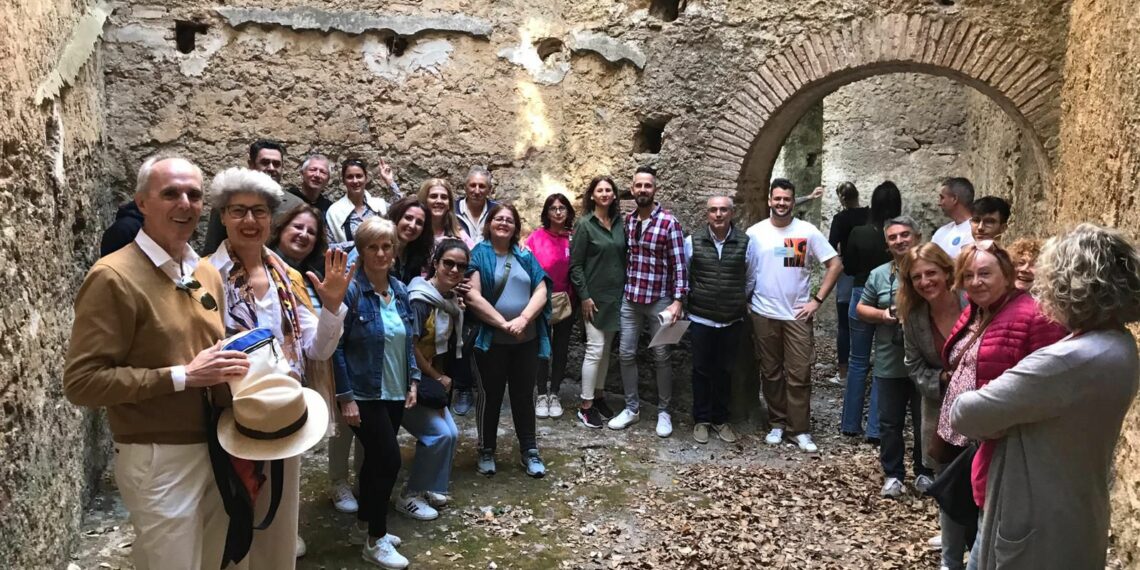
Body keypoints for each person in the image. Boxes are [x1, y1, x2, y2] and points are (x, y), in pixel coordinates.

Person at [63, 156, 249, 570]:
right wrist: (184, 376)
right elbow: (82, 383)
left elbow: (206, 351)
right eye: (170, 193)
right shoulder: (113, 276)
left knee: (206, 561)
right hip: (157, 456)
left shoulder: (204, 271)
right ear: (142, 203)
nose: (185, 203)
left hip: (217, 445)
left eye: (194, 195)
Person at [951, 224, 1140, 570]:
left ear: (1065, 287)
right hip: (1077, 512)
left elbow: (966, 413)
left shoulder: (1069, 360)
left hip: (1037, 526)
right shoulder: (1120, 344)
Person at [206, 167, 351, 568]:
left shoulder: (287, 277)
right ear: (222, 216)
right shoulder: (204, 275)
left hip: (283, 412)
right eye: (238, 211)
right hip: (229, 417)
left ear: (272, 218)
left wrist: (333, 306)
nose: (249, 221)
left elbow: (316, 351)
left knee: (280, 521)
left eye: (259, 211)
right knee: (229, 522)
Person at [935, 240, 1066, 569]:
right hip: (965, 430)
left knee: (989, 516)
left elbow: (1046, 382)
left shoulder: (1034, 317)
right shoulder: (976, 310)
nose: (976, 282)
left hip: (1001, 435)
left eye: (984, 274)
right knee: (954, 499)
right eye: (968, 276)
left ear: (1006, 276)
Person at [333, 216, 419, 569]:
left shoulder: (398, 289)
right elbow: (335, 348)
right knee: (389, 460)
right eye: (373, 247)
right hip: (364, 393)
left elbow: (407, 340)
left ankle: (364, 524)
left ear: (394, 251)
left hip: (395, 389)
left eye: (387, 246)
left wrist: (413, 379)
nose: (381, 253)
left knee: (373, 461)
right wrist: (346, 396)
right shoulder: (351, 291)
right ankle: (376, 539)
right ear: (361, 251)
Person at [268, 205, 362, 515]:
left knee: (288, 454)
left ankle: (281, 528)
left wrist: (333, 306)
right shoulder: (261, 268)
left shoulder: (307, 276)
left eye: (311, 231)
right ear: (280, 228)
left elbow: (319, 343)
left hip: (303, 371)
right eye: (297, 227)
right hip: (265, 378)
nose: (303, 234)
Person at [745, 178, 842, 453]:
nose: (782, 203)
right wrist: (747, 300)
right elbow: (749, 270)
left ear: (793, 200)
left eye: (786, 199)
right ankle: (777, 422)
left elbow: (835, 264)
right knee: (771, 372)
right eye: (777, 198)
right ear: (769, 200)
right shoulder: (755, 233)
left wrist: (817, 300)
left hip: (797, 314)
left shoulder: (805, 232)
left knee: (799, 373)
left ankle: (799, 429)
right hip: (764, 313)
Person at [464, 203, 551, 477]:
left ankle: (530, 450)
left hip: (527, 340)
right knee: (490, 396)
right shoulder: (479, 254)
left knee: (524, 395)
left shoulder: (524, 254)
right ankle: (486, 449)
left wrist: (523, 320)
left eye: (509, 220)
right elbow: (473, 296)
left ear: (516, 227)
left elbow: (542, 288)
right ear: (489, 224)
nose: (503, 223)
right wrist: (503, 324)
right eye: (498, 219)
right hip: (492, 341)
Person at [898, 242, 969, 569]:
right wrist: (943, 380)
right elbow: (914, 366)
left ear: (946, 272)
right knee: (948, 484)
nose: (925, 282)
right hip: (940, 409)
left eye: (931, 273)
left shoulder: (972, 302)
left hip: (986, 405)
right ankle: (950, 560)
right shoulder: (914, 317)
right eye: (917, 277)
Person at [855, 216, 933, 497]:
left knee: (925, 419)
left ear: (917, 236)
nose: (899, 241)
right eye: (893, 237)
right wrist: (883, 315)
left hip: (926, 359)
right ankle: (894, 474)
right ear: (887, 243)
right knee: (889, 421)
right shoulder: (878, 275)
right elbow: (862, 308)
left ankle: (925, 472)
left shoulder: (931, 270)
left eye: (905, 235)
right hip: (890, 358)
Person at [607, 166, 687, 438]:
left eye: (647, 186)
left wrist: (677, 301)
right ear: (632, 188)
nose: (642, 190)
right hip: (631, 299)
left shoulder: (669, 222)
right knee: (627, 353)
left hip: (660, 300)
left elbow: (679, 265)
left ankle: (664, 412)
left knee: (662, 356)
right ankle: (632, 408)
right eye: (638, 185)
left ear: (655, 189)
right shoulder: (628, 221)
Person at [399, 240, 469, 521]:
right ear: (435, 264)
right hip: (407, 380)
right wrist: (436, 377)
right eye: (448, 263)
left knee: (451, 433)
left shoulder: (448, 300)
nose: (454, 269)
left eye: (460, 266)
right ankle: (409, 496)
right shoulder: (420, 299)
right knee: (438, 434)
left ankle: (429, 486)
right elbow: (410, 346)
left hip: (429, 378)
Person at [683, 196, 751, 444]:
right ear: (707, 214)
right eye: (714, 210)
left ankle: (721, 420)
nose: (719, 214)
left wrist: (736, 300)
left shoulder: (745, 243)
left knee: (725, 371)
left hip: (731, 320)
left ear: (732, 213)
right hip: (701, 318)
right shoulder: (693, 242)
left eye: (723, 210)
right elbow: (686, 273)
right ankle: (701, 420)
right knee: (701, 370)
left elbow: (750, 276)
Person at [839, 181, 901, 443]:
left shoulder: (860, 232)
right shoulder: (899, 235)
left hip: (860, 295)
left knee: (857, 361)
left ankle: (850, 423)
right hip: (890, 296)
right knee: (884, 362)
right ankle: (876, 427)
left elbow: (849, 267)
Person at [570, 176, 624, 428]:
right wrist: (584, 296)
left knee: (606, 351)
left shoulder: (620, 224)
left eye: (608, 190)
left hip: (615, 298)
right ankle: (586, 405)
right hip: (593, 299)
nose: (604, 194)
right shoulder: (584, 224)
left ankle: (599, 395)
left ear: (614, 195)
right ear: (592, 195)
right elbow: (576, 265)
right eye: (599, 190)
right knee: (595, 349)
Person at [526, 193, 576, 419]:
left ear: (568, 212)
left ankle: (555, 392)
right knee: (542, 348)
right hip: (541, 301)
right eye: (553, 208)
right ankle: (541, 394)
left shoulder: (573, 239)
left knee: (561, 348)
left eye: (562, 208)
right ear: (546, 213)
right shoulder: (535, 238)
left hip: (566, 302)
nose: (558, 212)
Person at [204, 139, 286, 254]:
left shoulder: (296, 205)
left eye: (276, 164)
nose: (271, 168)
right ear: (251, 165)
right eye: (265, 162)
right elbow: (212, 246)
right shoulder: (227, 200)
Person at [826, 181, 869, 385]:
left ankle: (843, 373)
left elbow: (831, 246)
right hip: (870, 272)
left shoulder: (840, 218)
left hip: (847, 273)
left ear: (841, 198)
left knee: (844, 324)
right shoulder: (869, 215)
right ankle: (864, 368)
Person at [326, 158, 400, 251]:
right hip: (350, 264)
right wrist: (360, 244)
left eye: (359, 176)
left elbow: (401, 209)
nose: (355, 181)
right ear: (344, 181)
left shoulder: (379, 205)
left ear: (366, 178)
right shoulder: (334, 212)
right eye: (350, 177)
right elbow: (328, 247)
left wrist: (389, 181)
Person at [387, 196, 433, 283]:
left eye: (419, 223)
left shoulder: (414, 255)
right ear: (396, 217)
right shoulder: (377, 248)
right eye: (408, 218)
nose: (412, 225)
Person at [418, 178, 475, 247]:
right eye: (433, 196)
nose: (439, 201)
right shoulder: (415, 233)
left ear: (449, 204)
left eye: (444, 197)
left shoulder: (461, 237)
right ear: (424, 201)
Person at [930, 177, 975, 259]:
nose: (939, 203)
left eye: (942, 197)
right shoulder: (941, 232)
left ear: (954, 199)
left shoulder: (976, 231)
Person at [455, 166, 498, 242]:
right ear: (465, 187)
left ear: (489, 189)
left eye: (482, 186)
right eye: (472, 185)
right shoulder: (453, 210)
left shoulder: (497, 211)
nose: (477, 191)